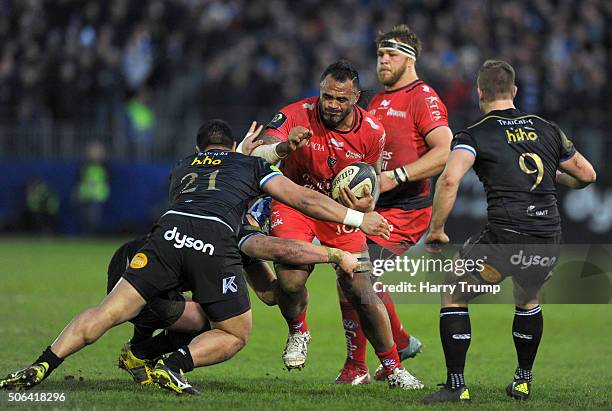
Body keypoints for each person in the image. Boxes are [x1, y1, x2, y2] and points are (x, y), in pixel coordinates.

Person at [0, 119, 389, 395]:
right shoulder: (251, 166)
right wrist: (359, 219)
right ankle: (173, 366)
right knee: (235, 332)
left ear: (200, 147)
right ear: (234, 144)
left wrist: (251, 151)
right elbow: (303, 198)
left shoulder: (183, 166)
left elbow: (219, 167)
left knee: (107, 311)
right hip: (213, 241)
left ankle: (42, 365)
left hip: (166, 234)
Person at [422, 60, 596, 403]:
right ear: (514, 91)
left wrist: (436, 230)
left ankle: (456, 385)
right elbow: (587, 175)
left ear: (480, 93)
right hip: (547, 238)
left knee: (454, 292)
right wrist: (553, 176)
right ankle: (522, 381)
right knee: (528, 299)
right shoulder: (547, 128)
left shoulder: (475, 133)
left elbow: (450, 179)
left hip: (504, 240)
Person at [254, 60, 423, 389]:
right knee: (289, 281)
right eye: (327, 96)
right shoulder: (297, 113)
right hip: (294, 205)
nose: (331, 105)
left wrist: (364, 204)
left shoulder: (373, 132)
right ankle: (298, 331)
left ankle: (392, 366)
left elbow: (370, 187)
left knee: (361, 289)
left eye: (341, 99)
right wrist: (284, 147)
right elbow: (257, 153)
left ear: (356, 97)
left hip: (339, 213)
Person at [111, 211, 361, 385]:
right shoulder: (241, 231)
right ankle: (148, 357)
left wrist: (293, 287)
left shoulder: (240, 239)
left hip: (143, 266)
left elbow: (270, 294)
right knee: (218, 322)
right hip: (136, 268)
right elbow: (281, 248)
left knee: (210, 315)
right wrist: (332, 255)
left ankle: (138, 353)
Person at [334, 24, 454, 385]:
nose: (383, 61)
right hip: (372, 207)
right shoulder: (374, 101)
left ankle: (362, 364)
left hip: (406, 208)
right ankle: (395, 345)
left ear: (410, 59)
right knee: (349, 274)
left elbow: (445, 151)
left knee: (356, 272)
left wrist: (395, 177)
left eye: (391, 55)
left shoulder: (423, 97)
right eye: (380, 55)